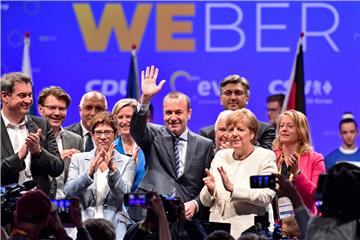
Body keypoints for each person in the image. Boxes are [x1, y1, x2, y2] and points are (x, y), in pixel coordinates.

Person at [130, 65, 214, 239]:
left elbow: (207, 183)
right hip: (152, 214)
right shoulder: (153, 135)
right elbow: (136, 128)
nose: (173, 117)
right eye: (168, 113)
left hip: (187, 219)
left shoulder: (205, 144)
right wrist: (144, 99)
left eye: (178, 112)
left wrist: (196, 204)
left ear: (189, 113)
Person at [200, 109, 277, 238]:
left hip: (249, 233)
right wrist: (210, 190)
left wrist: (234, 189)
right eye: (230, 130)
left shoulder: (265, 157)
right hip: (218, 232)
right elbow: (205, 201)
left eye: (240, 129)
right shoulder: (220, 156)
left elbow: (266, 195)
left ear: (252, 134)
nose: (233, 134)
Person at [64, 112, 135, 240]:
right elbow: (69, 191)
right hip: (84, 222)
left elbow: (124, 195)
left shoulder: (127, 162)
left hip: (114, 225)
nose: (102, 137)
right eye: (98, 132)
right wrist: (89, 172)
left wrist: (113, 169)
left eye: (107, 132)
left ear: (115, 134)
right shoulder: (78, 159)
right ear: (92, 135)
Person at [0, 72, 63, 195]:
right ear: (4, 96)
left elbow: (58, 168)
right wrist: (18, 157)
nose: (29, 100)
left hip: (39, 204)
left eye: (30, 95)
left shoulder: (42, 125)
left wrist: (39, 152)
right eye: (22, 95)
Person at [200, 74, 275, 150]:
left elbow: (267, 158)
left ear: (246, 99)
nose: (233, 97)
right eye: (228, 93)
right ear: (221, 99)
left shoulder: (265, 130)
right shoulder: (207, 133)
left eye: (238, 93)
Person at [272, 110, 326, 215]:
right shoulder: (270, 156)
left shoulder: (316, 159)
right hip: (275, 223)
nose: (284, 129)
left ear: (301, 132)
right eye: (282, 126)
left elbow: (317, 194)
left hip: (303, 221)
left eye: (290, 126)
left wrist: (297, 173)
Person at [38, 86, 83, 199]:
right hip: (42, 203)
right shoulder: (31, 137)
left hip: (68, 206)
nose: (57, 113)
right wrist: (56, 161)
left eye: (62, 108)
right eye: (52, 108)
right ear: (40, 109)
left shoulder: (75, 139)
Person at [112, 98, 146, 192]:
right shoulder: (110, 148)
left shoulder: (147, 146)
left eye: (128, 117)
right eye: (120, 117)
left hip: (144, 202)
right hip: (118, 203)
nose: (124, 121)